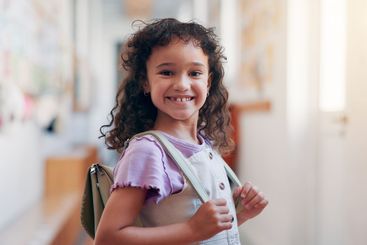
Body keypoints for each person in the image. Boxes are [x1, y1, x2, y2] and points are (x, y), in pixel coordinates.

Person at [95, 18, 268, 245]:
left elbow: (203, 232)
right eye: (167, 72)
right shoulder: (147, 151)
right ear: (145, 82)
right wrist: (192, 229)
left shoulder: (204, 144)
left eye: (195, 73)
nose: (182, 84)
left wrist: (237, 216)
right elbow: (108, 238)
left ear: (208, 81)